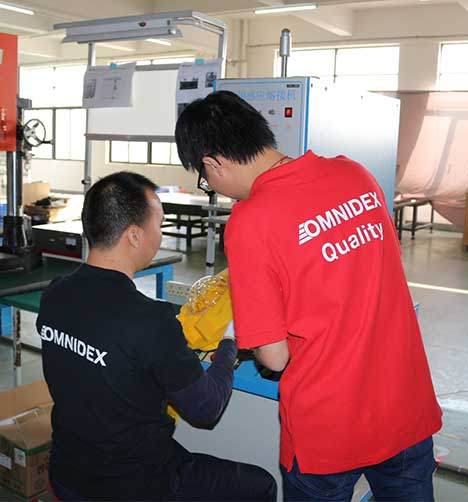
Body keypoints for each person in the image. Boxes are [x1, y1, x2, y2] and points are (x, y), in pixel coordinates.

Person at [175, 91, 443, 501]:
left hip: (328, 427)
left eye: (204, 178)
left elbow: (274, 357)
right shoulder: (355, 173)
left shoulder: (250, 221)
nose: (212, 187)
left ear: (213, 163)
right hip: (404, 405)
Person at [36, 171, 276, 501]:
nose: (160, 235)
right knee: (262, 485)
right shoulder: (149, 320)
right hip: (134, 483)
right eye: (159, 225)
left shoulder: (55, 294)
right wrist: (229, 342)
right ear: (135, 236)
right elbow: (206, 407)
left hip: (69, 470)